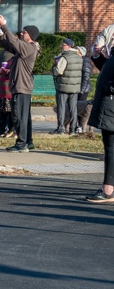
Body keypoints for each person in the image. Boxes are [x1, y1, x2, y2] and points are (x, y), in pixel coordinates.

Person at [0, 15, 40, 152]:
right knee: (24, 116)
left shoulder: (29, 48)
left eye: (24, 32)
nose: (21, 33)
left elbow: (14, 42)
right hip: (21, 86)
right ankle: (28, 142)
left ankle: (21, 144)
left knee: (18, 116)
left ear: (30, 36)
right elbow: (9, 45)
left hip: (22, 86)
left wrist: (4, 25)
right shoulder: (25, 49)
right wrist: (1, 33)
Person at [85, 48, 114, 203]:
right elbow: (108, 69)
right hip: (108, 107)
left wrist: (107, 87)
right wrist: (98, 57)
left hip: (111, 108)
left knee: (111, 149)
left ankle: (108, 190)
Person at [53, 38, 82, 134]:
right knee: (73, 108)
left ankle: (61, 128)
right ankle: (73, 129)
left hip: (63, 86)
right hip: (75, 87)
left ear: (69, 46)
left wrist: (54, 67)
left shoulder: (64, 57)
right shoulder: (79, 57)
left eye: (63, 44)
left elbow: (58, 71)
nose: (61, 46)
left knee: (61, 107)